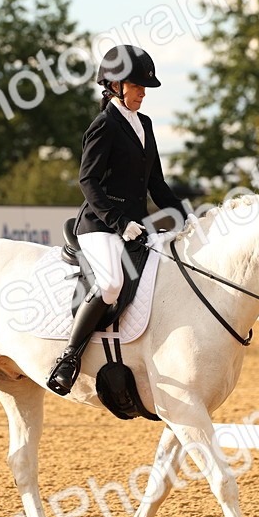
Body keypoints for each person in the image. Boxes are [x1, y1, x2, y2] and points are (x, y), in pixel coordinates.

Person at [46, 44, 189, 396]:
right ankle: (69, 357)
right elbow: (88, 181)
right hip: (101, 223)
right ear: (115, 85)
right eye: (137, 86)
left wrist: (185, 217)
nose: (142, 93)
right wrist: (119, 221)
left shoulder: (145, 124)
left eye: (144, 88)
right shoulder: (104, 125)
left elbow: (156, 182)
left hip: (137, 226)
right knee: (111, 283)